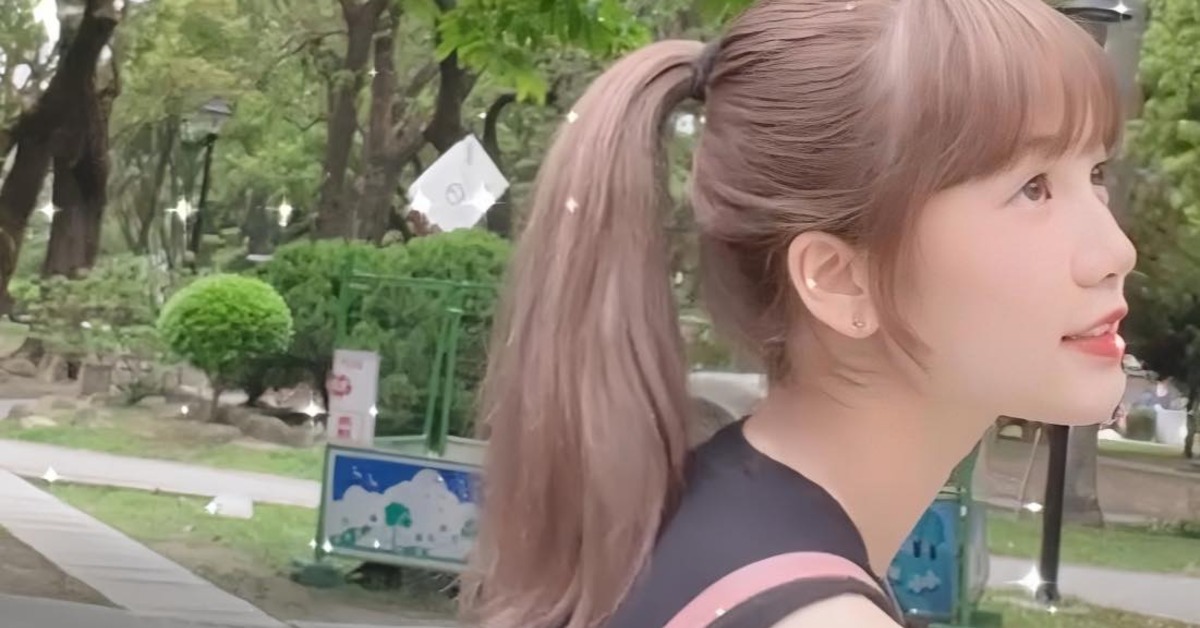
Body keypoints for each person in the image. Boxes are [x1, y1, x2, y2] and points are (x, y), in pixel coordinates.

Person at [460, 0, 1136, 626]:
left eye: (1096, 174)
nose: (1116, 251)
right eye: (1033, 188)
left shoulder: (693, 526)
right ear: (841, 280)